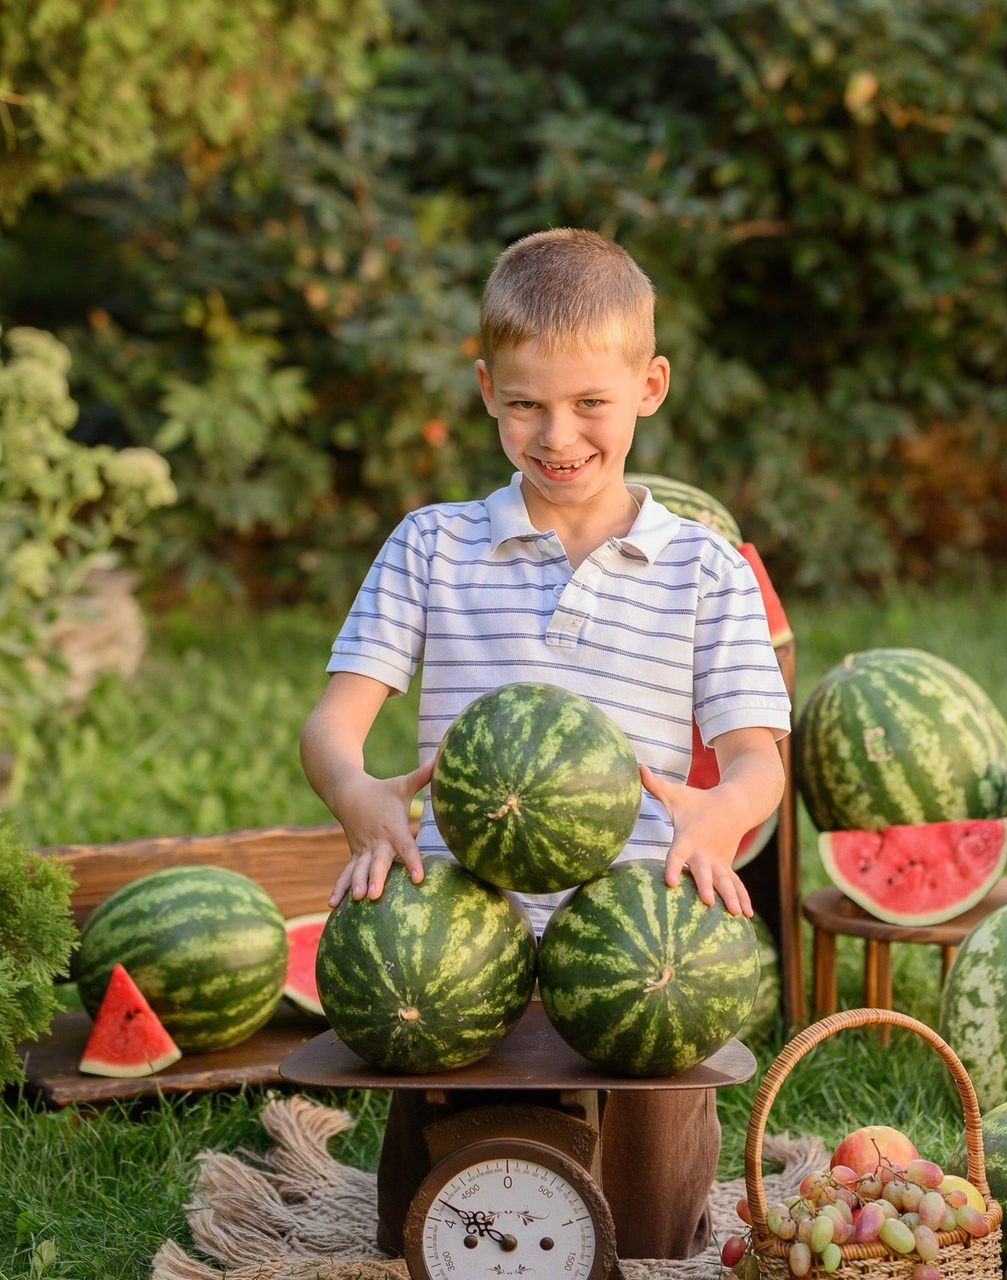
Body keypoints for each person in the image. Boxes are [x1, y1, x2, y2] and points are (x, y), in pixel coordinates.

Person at [299, 227, 792, 1261]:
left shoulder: (702, 569)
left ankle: (645, 1219)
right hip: (455, 917)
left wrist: (722, 807)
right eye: (524, 403)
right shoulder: (430, 543)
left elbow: (756, 757)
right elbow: (332, 724)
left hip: (631, 918)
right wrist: (358, 793)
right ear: (485, 389)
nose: (555, 433)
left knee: (646, 1209)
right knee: (424, 1212)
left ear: (649, 386)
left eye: (588, 404)